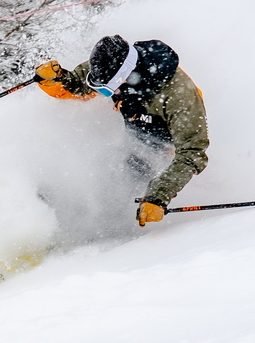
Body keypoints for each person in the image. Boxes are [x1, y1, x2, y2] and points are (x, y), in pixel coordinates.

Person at [34, 35, 209, 226]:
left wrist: (158, 197)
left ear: (127, 76)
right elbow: (77, 85)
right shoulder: (112, 63)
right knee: (95, 169)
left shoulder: (180, 96)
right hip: (134, 140)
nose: (107, 94)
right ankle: (49, 211)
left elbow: (193, 152)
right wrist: (55, 80)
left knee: (119, 186)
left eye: (108, 90)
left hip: (163, 155)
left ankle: (97, 224)